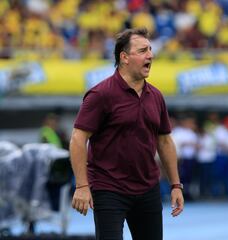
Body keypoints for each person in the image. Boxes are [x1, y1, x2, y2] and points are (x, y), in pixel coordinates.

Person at [69, 28, 184, 240]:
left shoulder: (156, 96)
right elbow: (78, 138)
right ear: (124, 57)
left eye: (150, 49)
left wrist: (176, 185)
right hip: (109, 189)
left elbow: (165, 141)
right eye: (142, 50)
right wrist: (82, 186)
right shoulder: (100, 94)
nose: (150, 55)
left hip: (148, 188)